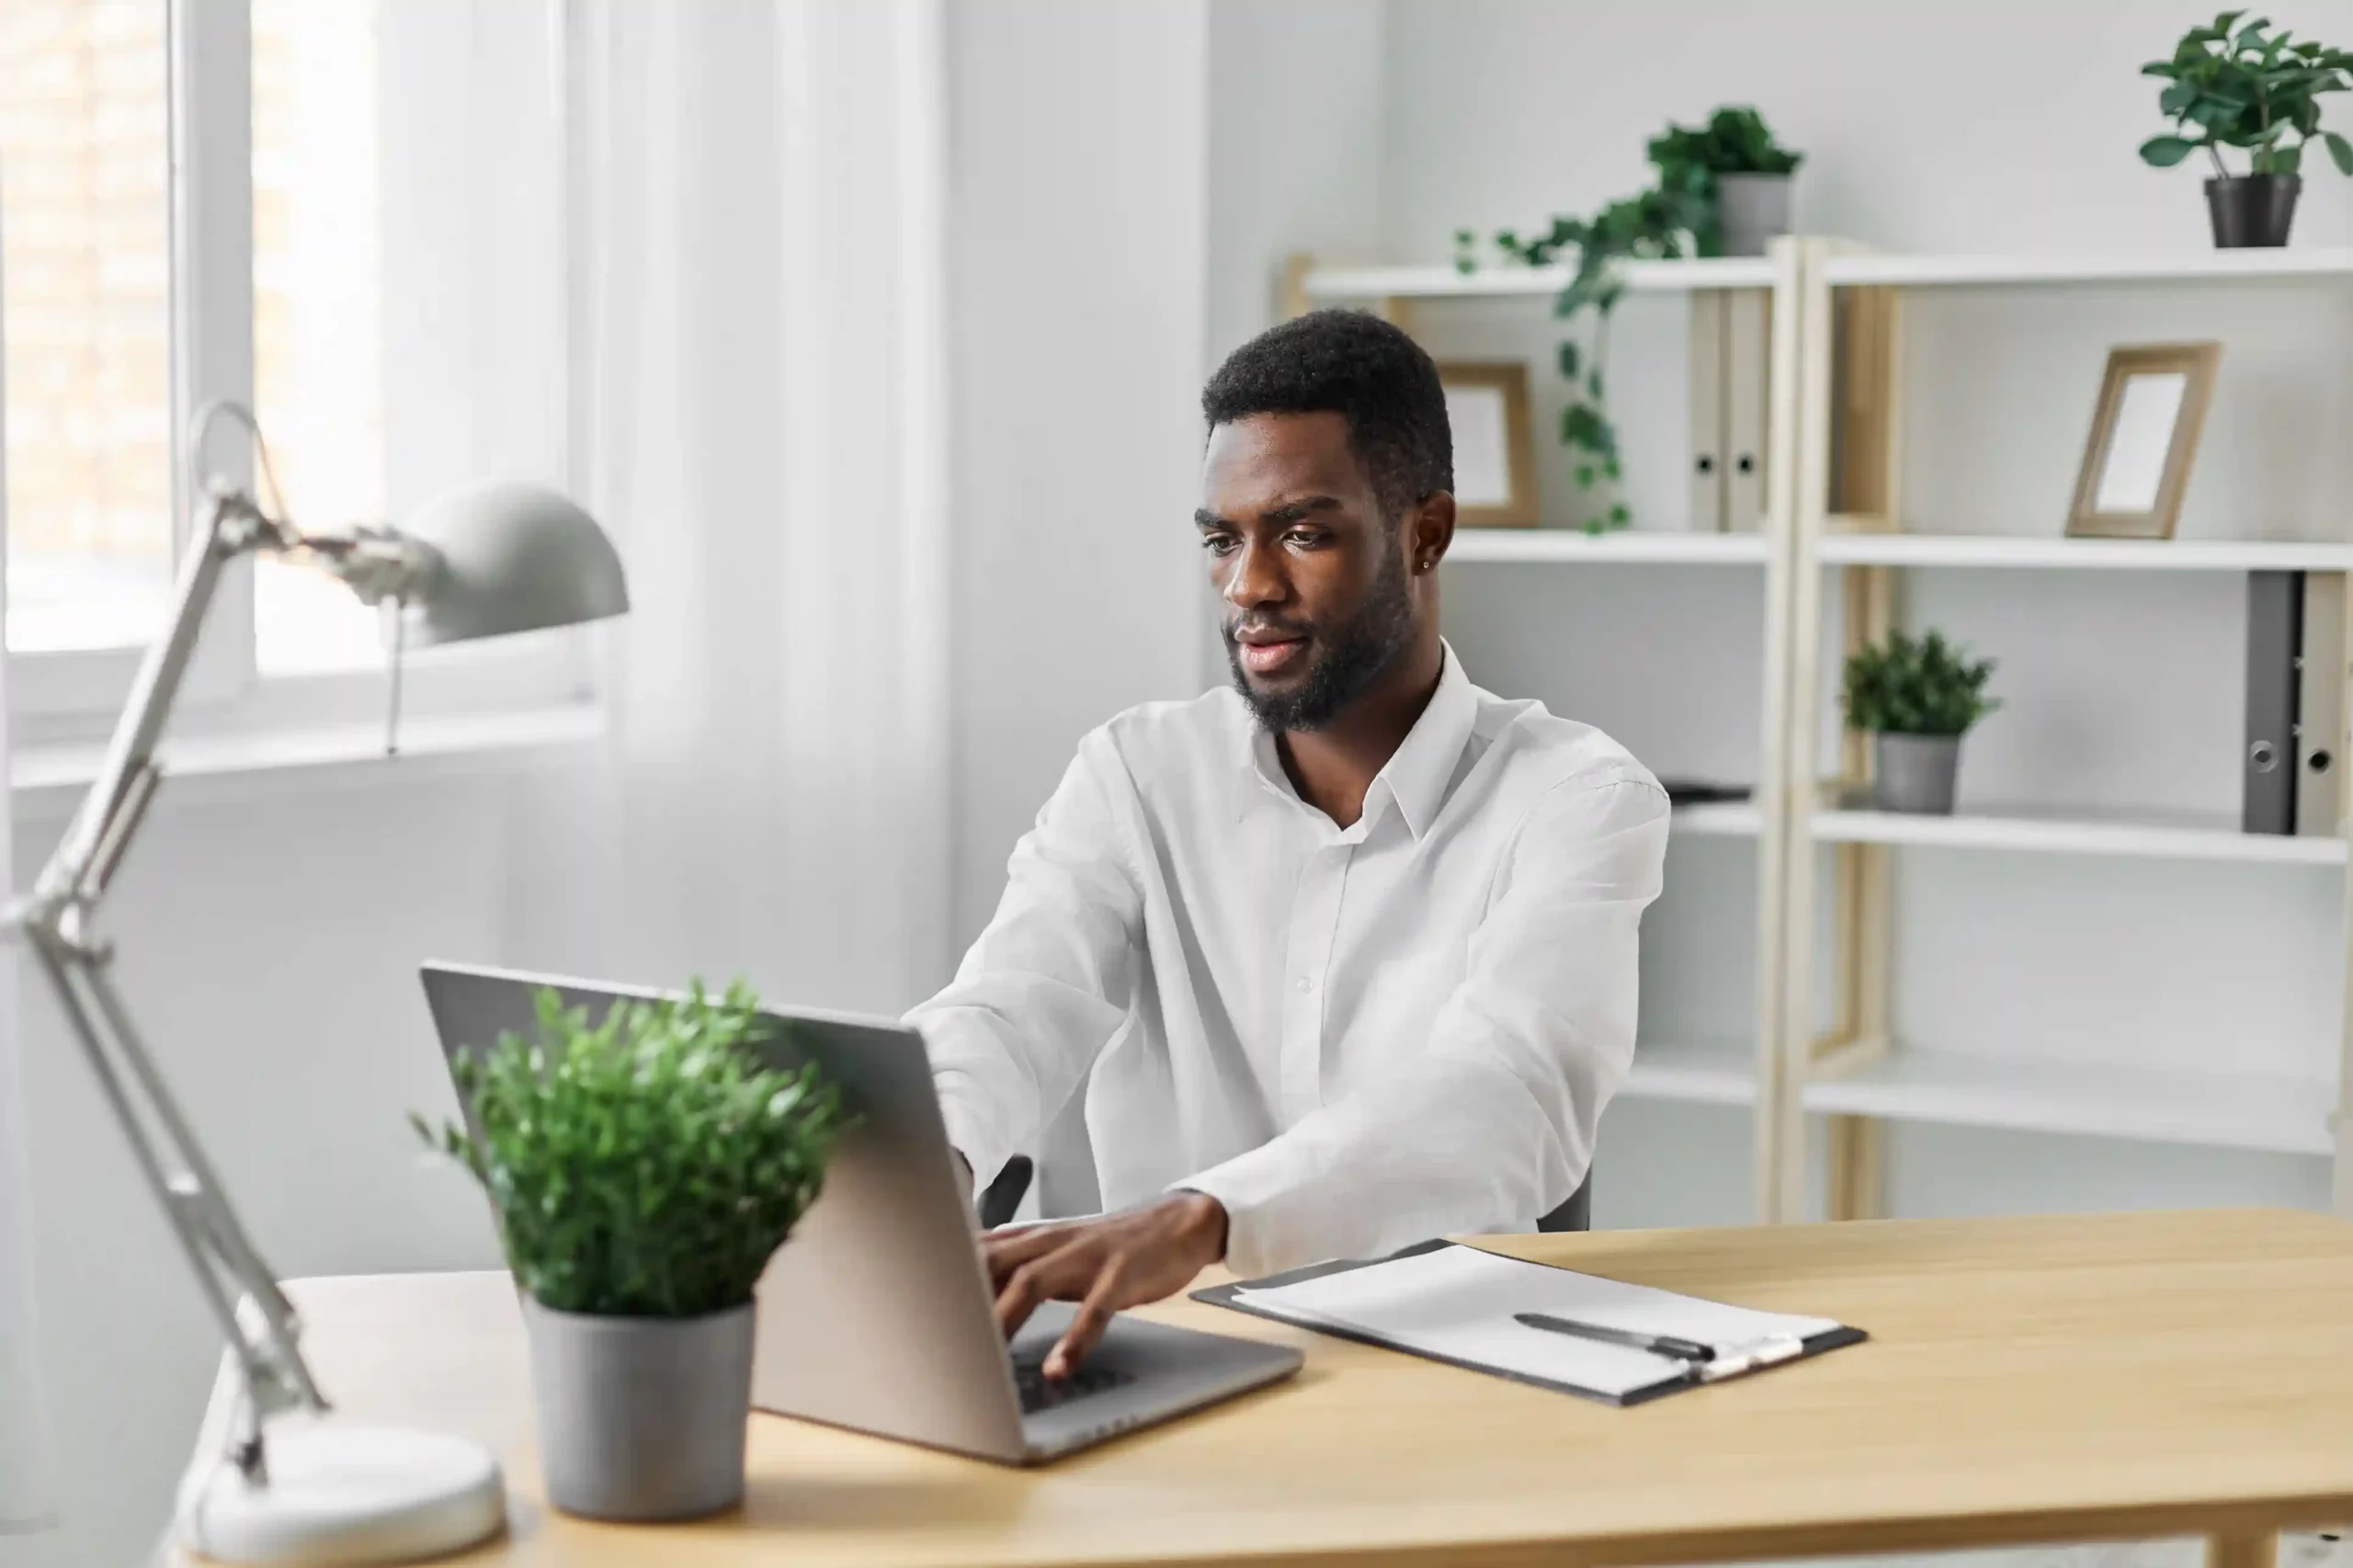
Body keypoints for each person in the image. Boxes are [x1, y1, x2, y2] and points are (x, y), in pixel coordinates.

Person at [908, 309, 1669, 1378]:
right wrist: (916, 1168)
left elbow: (1506, 1087)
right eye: (1223, 538)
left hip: (1442, 1370)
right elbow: (1008, 1007)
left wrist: (1201, 1217)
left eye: (1301, 533)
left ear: (1424, 531)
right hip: (1156, 1355)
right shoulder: (1136, 772)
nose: (1245, 584)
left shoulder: (1577, 796)